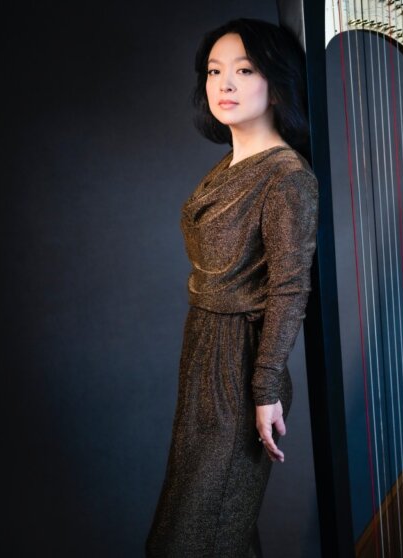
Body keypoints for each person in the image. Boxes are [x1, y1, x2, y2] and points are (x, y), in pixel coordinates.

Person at [146, 18, 317, 557]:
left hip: (240, 370)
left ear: (277, 83)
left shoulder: (286, 177)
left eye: (244, 70)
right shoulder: (231, 165)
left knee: (196, 538)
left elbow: (290, 288)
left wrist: (264, 390)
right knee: (218, 530)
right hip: (204, 356)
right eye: (214, 71)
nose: (224, 83)